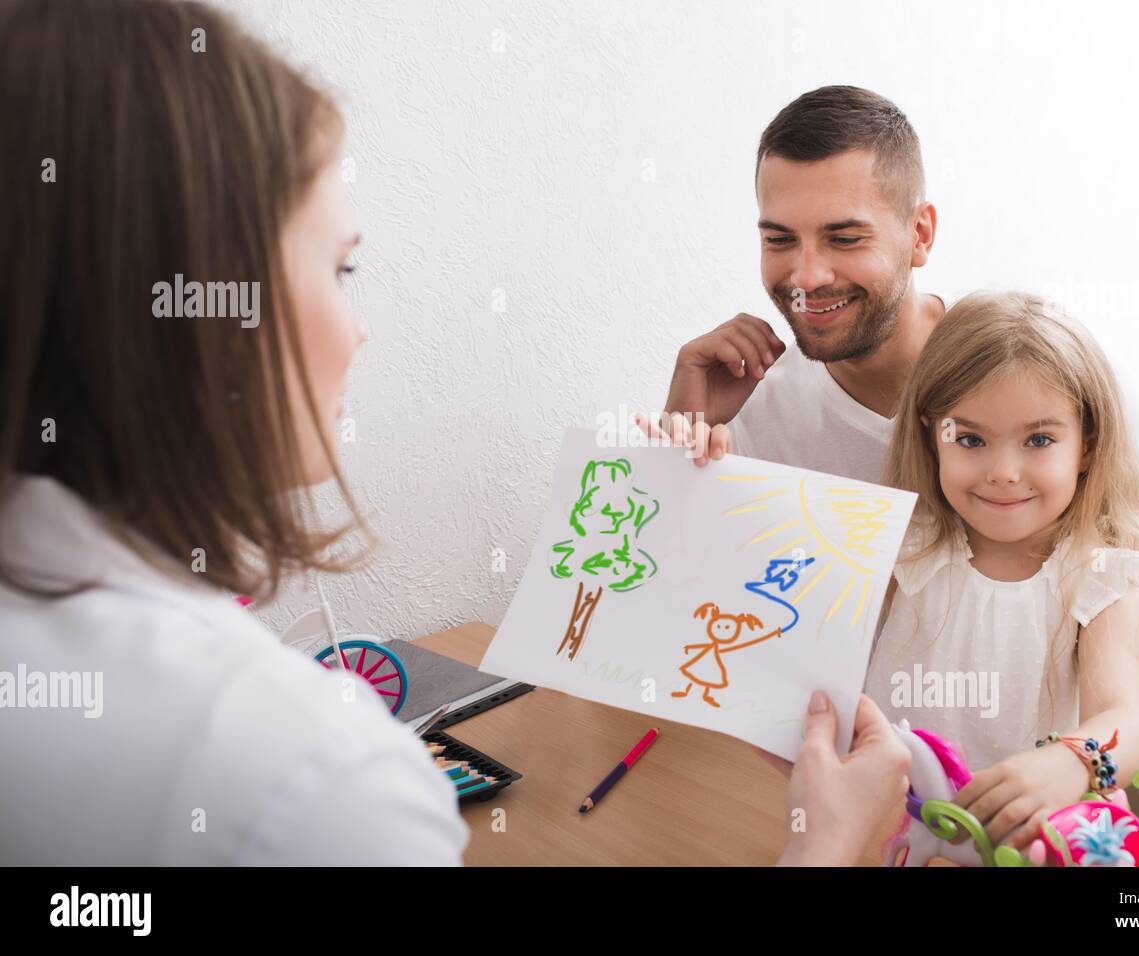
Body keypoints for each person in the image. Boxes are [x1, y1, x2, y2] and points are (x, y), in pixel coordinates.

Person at [0, 0, 906, 866]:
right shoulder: (322, 782)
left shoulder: (1006, 390)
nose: (805, 274)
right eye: (339, 267)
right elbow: (656, 642)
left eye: (844, 235)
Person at [662, 85, 1139, 850]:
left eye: (843, 236)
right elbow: (692, 644)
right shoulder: (759, 419)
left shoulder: (1046, 368)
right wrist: (681, 438)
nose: (806, 274)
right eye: (779, 238)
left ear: (920, 233)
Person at [864, 290, 1139, 850]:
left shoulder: (1099, 579)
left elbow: (1129, 720)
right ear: (933, 436)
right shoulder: (901, 545)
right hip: (890, 836)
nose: (1004, 472)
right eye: (971, 439)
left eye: (1039, 440)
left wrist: (1071, 763)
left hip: (1026, 846)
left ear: (1087, 447)